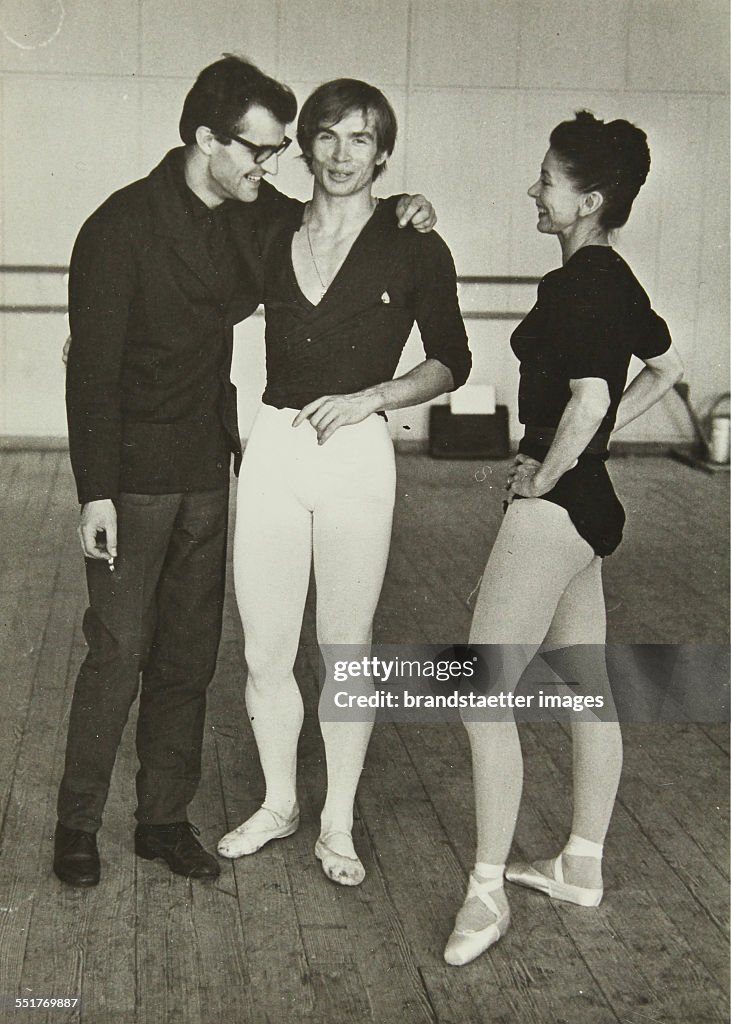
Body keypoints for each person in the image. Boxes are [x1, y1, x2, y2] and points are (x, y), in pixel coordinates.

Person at [55, 56, 435, 889]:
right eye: (258, 152)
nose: (271, 168)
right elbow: (89, 373)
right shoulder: (116, 227)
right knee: (119, 650)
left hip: (209, 465)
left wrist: (404, 206)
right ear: (205, 139)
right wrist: (94, 491)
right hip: (128, 474)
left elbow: (333, 212)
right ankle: (76, 825)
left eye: (272, 153)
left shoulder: (247, 216)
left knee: (191, 656)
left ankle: (162, 819)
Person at [216, 79, 471, 885]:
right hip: (276, 450)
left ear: (382, 152)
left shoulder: (413, 242)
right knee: (264, 650)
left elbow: (449, 360)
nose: (340, 154)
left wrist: (373, 398)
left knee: (345, 650)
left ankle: (336, 824)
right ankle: (280, 803)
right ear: (304, 145)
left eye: (359, 139)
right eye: (325, 136)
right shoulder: (269, 228)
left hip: (358, 451)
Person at [444, 111, 683, 965]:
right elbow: (664, 366)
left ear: (587, 199)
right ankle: (580, 864)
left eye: (546, 179)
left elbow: (588, 398)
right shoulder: (613, 277)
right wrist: (589, 453)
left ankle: (483, 893)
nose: (534, 191)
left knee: (478, 695)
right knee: (587, 689)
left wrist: (545, 471)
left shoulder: (577, 284)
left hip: (554, 508)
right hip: (589, 512)